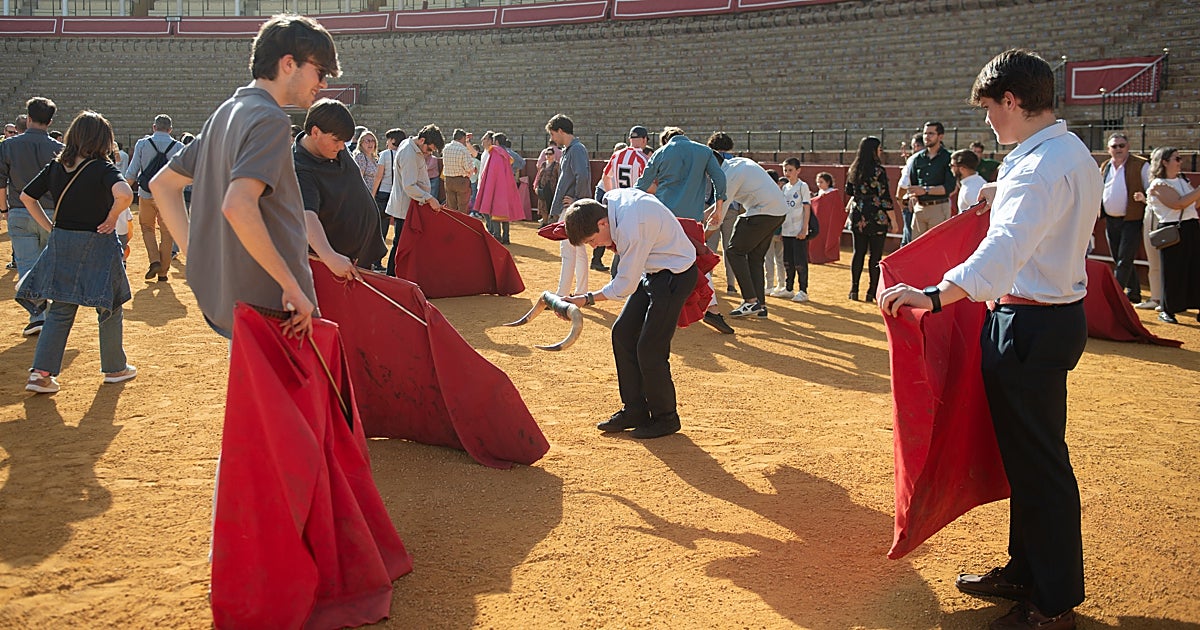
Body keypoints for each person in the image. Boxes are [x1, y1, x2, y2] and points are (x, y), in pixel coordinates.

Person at [881, 48, 1101, 630]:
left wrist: (931, 296)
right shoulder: (1067, 150)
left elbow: (1001, 257)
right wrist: (996, 194)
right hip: (1051, 316)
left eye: (989, 108)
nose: (986, 121)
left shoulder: (1034, 168)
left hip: (1027, 322)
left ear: (1012, 100)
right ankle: (1027, 572)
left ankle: (1052, 601)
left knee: (1041, 464)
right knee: (1031, 459)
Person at [150, 13, 342, 342]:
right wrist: (291, 286)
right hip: (275, 310)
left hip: (240, 307)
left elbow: (162, 185)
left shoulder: (224, 113)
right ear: (288, 64)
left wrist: (197, 261)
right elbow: (238, 205)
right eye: (319, 71)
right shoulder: (270, 118)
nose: (323, 83)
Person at [561, 189, 698, 440]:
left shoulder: (631, 225)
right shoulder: (611, 203)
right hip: (654, 271)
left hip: (674, 276)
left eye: (592, 239)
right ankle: (635, 410)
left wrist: (587, 298)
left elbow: (624, 286)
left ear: (602, 223)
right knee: (623, 333)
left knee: (650, 348)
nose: (594, 246)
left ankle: (666, 418)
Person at [18, 110, 137, 393]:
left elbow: (26, 196)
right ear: (102, 139)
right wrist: (111, 218)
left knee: (60, 308)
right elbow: (125, 193)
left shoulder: (57, 166)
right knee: (109, 306)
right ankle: (114, 367)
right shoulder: (102, 168)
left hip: (63, 242)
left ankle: (40, 373)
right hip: (97, 242)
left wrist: (51, 227)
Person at [638, 126, 732, 334]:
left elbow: (642, 185)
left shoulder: (661, 153)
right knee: (697, 263)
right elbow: (720, 179)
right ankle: (713, 309)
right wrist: (718, 208)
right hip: (692, 221)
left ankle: (650, 310)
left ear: (665, 140)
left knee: (654, 262)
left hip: (664, 217)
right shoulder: (703, 151)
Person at [293, 99, 386, 271]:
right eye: (337, 140)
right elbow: (307, 215)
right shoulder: (299, 167)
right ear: (315, 132)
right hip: (340, 266)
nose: (342, 147)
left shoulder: (333, 147)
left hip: (361, 256)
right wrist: (329, 256)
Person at [0, 96, 62, 335]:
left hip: (19, 210)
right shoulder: (59, 148)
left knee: (26, 264)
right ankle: (53, 315)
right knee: (50, 264)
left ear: (28, 118)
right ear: (50, 121)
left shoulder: (8, 145)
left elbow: (2, 182)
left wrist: (4, 209)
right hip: (51, 213)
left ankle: (37, 315)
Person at [710, 147, 788, 319]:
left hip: (762, 212)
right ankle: (760, 305)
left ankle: (751, 301)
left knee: (733, 251)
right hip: (777, 212)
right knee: (755, 257)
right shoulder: (737, 163)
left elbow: (719, 214)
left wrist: (700, 237)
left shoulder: (729, 175)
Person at [125, 113, 182, 283]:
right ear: (170, 129)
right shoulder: (178, 146)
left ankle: (154, 260)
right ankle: (163, 273)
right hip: (168, 196)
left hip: (146, 193)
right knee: (167, 232)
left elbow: (132, 171)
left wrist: (125, 188)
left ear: (154, 127)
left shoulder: (143, 144)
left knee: (147, 228)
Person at [1145, 146, 1200, 324]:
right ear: (1164, 162)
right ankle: (1167, 309)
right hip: (1172, 230)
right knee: (1173, 271)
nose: (1180, 162)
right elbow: (1178, 204)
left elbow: (1193, 204)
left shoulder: (1182, 180)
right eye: (1176, 159)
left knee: (1195, 269)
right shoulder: (1158, 184)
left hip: (1191, 227)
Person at [384, 124, 444, 276]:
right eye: (429, 149)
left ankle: (395, 277)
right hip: (407, 207)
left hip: (409, 205)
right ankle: (392, 277)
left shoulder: (410, 145)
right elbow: (409, 186)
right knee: (401, 245)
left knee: (402, 244)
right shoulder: (409, 153)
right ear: (422, 140)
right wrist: (429, 199)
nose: (429, 153)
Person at [1099, 133, 1152, 306]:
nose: (1118, 149)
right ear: (1108, 149)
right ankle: (1134, 292)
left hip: (1132, 219)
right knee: (1119, 257)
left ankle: (1115, 297)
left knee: (1124, 259)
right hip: (1111, 219)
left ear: (1128, 147)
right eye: (1114, 146)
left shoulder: (1141, 165)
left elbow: (1151, 190)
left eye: (1122, 145)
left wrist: (1143, 197)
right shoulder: (1105, 166)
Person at [844, 136, 896, 302]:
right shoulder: (878, 170)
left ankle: (854, 288)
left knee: (858, 252)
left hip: (858, 213)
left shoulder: (854, 169)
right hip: (876, 216)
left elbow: (849, 191)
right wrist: (893, 220)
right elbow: (885, 197)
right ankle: (871, 291)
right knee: (875, 256)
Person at [546, 114, 592, 296]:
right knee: (578, 249)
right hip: (573, 205)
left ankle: (562, 294)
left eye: (553, 134)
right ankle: (580, 292)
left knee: (568, 250)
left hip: (571, 206)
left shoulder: (576, 150)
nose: (552, 139)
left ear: (560, 131)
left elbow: (582, 175)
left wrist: (577, 200)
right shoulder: (572, 149)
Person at [901, 121, 957, 240]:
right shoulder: (917, 159)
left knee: (937, 247)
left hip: (939, 207)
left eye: (931, 133)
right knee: (916, 248)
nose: (927, 137)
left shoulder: (948, 158)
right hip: (919, 208)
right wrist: (912, 196)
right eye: (925, 133)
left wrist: (925, 190)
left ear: (940, 136)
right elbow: (913, 183)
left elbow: (949, 187)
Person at [473, 131, 523, 244]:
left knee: (494, 211)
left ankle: (497, 236)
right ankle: (506, 237)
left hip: (495, 186)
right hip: (507, 186)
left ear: (495, 142)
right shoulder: (507, 154)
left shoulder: (494, 153)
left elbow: (492, 172)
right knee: (505, 212)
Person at [779, 157, 812, 302]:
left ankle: (803, 290)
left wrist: (804, 228)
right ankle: (789, 288)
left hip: (798, 229)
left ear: (798, 171)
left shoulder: (802, 186)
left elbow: (806, 208)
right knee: (788, 260)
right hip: (787, 229)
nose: (787, 173)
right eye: (785, 170)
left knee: (800, 261)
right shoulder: (785, 188)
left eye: (790, 170)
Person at [371, 127, 404, 270]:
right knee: (398, 230)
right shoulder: (404, 154)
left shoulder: (385, 154)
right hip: (398, 194)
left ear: (392, 140)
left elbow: (379, 176)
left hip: (384, 192)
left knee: (382, 229)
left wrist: (373, 194)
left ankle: (377, 261)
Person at [896, 133, 923, 245]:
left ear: (917, 146)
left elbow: (903, 185)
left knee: (910, 240)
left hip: (913, 204)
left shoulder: (913, 160)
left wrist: (899, 200)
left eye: (913, 147)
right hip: (928, 205)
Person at [441, 128, 475, 212]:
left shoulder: (446, 148)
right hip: (461, 181)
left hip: (448, 180)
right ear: (463, 138)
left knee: (451, 206)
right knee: (462, 207)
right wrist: (473, 169)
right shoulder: (463, 150)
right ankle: (461, 224)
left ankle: (451, 224)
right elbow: (468, 168)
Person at [952, 149, 987, 213]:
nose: (951, 168)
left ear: (962, 169)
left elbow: (979, 215)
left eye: (952, 165)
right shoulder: (977, 181)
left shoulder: (970, 190)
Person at [534, 146, 559, 226]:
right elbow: (539, 176)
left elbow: (559, 177)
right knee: (542, 205)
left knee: (551, 205)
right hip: (543, 187)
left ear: (554, 155)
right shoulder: (544, 164)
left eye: (550, 154)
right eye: (547, 154)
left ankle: (552, 223)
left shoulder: (557, 165)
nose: (548, 156)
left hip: (552, 188)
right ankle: (544, 222)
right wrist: (537, 186)